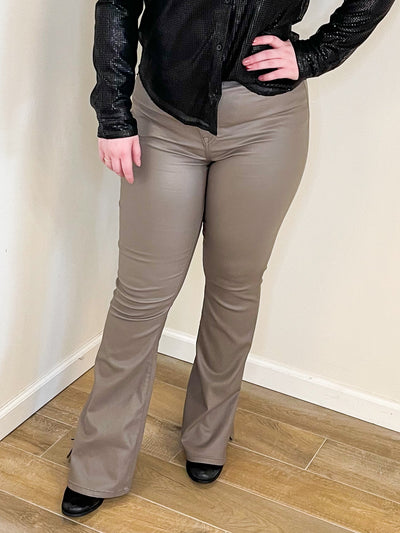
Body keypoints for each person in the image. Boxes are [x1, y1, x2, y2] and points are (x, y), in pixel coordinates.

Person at [61, 0, 395, 518]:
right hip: (163, 117)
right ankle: (98, 461)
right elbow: (118, 5)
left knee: (235, 286)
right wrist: (113, 113)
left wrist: (314, 55)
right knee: (140, 299)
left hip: (267, 124)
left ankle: (208, 437)